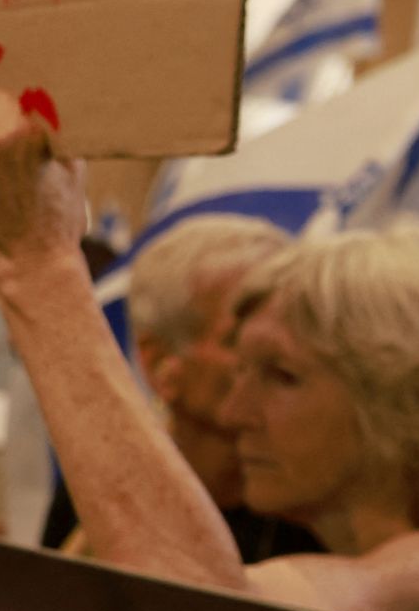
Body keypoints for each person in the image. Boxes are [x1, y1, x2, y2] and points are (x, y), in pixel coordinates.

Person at [0, 91, 419, 611]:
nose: (234, 411)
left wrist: (38, 266)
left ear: (397, 403)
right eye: (242, 368)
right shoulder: (329, 546)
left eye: (281, 375)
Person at [42, 216, 322, 563]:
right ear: (161, 363)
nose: (288, 358)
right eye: (240, 339)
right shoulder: (100, 493)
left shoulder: (326, 505)